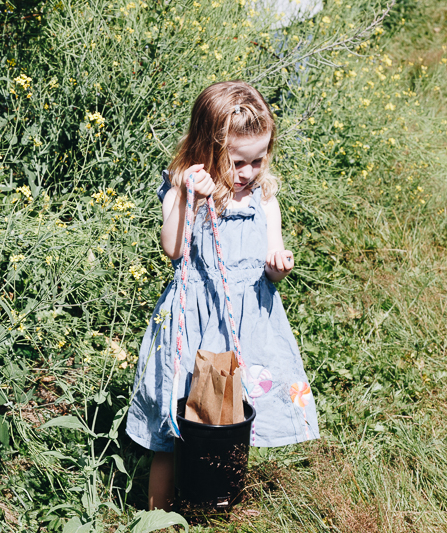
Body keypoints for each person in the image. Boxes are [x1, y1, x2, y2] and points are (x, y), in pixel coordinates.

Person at [125, 80, 319, 511]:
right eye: (237, 162)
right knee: (172, 424)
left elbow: (270, 258)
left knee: (234, 421)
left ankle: (218, 505)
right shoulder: (183, 189)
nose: (249, 172)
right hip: (193, 320)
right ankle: (157, 514)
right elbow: (174, 250)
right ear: (207, 148)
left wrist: (277, 267)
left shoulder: (264, 198)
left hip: (246, 322)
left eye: (258, 160)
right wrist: (191, 200)